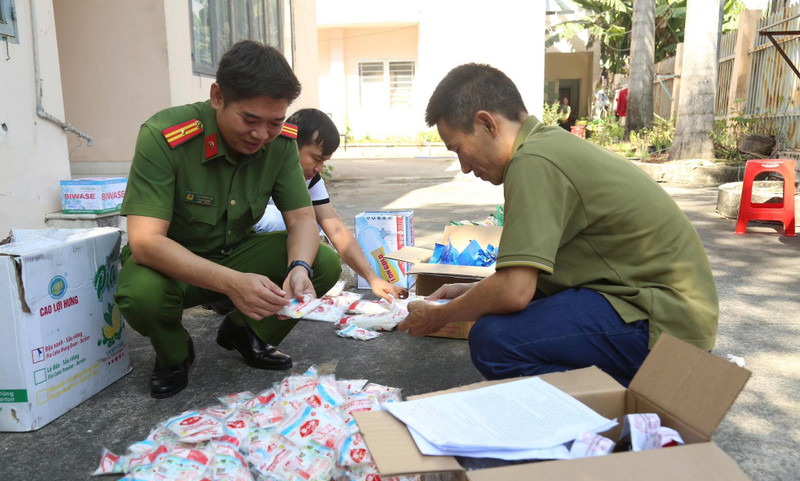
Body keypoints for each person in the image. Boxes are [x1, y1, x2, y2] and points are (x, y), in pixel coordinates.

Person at [398, 63, 718, 386]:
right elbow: (525, 280)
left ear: (486, 124)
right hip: (658, 310)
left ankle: (619, 405)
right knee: (503, 318)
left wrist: (440, 316)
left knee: (493, 341)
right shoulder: (545, 146)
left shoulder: (532, 163)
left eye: (458, 149)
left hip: (661, 325)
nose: (464, 167)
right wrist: (463, 292)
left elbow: (515, 291)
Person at [115, 41, 341, 398]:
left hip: (236, 253)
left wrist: (298, 267)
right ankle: (174, 353)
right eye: (250, 120)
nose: (261, 135)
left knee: (323, 263)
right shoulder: (164, 136)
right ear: (217, 96)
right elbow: (146, 242)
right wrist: (232, 283)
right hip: (172, 266)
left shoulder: (280, 144)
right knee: (140, 293)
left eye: (275, 122)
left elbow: (301, 219)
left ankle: (247, 331)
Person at [253, 108, 405, 301]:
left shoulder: (311, 179)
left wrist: (373, 279)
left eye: (324, 162)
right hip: (237, 245)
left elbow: (337, 230)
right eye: (316, 159)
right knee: (290, 221)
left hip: (268, 246)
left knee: (316, 237)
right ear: (291, 145)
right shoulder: (259, 164)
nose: (319, 169)